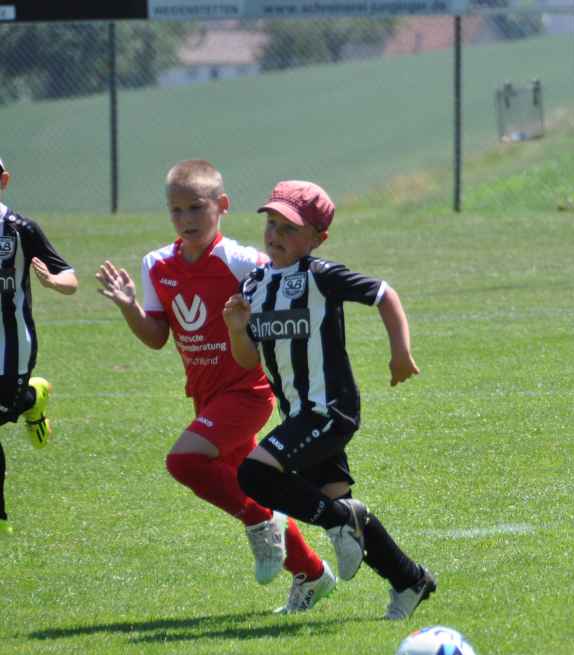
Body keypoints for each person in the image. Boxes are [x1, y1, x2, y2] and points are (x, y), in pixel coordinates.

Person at [94, 160, 335, 613]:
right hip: (206, 398)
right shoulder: (156, 265)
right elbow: (156, 337)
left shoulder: (243, 262)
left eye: (196, 208)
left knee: (183, 461)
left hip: (248, 393)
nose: (186, 219)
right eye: (176, 210)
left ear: (222, 206)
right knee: (254, 484)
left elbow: (287, 296)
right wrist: (129, 306)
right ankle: (313, 574)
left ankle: (260, 523)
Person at [223, 179, 436, 621]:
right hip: (298, 415)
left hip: (329, 411)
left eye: (290, 228)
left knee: (254, 474)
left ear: (318, 238)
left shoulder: (320, 276)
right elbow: (247, 360)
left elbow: (384, 294)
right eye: (272, 223)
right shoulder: (255, 285)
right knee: (337, 498)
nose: (276, 234)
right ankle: (410, 579)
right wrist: (237, 329)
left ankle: (339, 522)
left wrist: (400, 352)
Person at [0, 155, 79, 536]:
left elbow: (71, 279)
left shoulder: (20, 229)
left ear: (4, 180)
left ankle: (31, 397)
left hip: (11, 346)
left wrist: (51, 282)